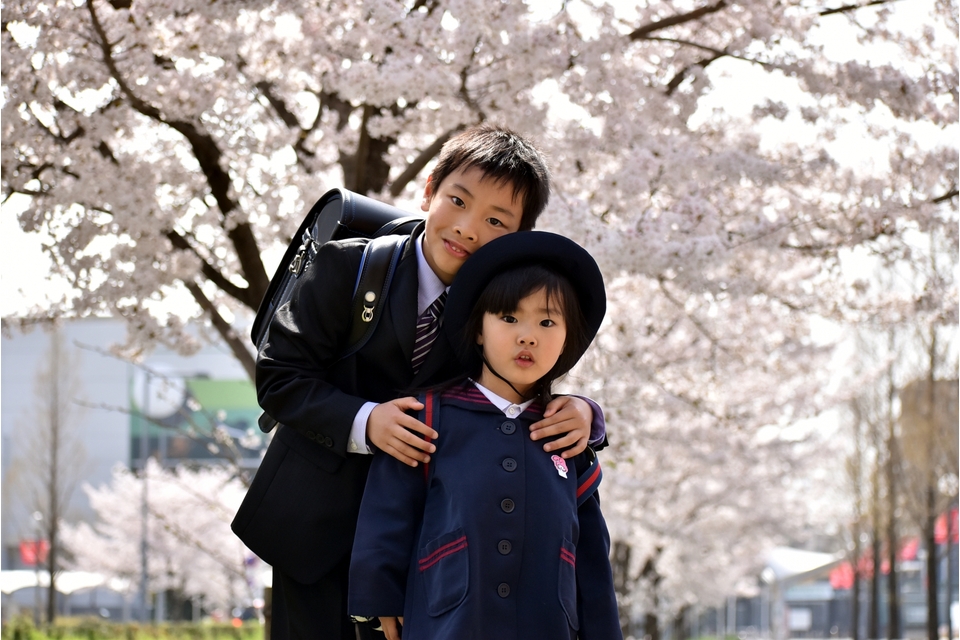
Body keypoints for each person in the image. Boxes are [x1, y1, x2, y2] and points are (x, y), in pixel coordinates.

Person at [231, 124, 607, 639]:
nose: (469, 228)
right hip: (316, 529)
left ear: (519, 236)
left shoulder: (498, 310)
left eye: (496, 221)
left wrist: (586, 412)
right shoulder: (348, 268)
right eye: (458, 200)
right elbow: (280, 377)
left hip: (421, 549)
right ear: (430, 189)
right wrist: (367, 422)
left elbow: (517, 389)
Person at [348, 231, 621, 640]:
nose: (527, 335)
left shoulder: (568, 437)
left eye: (547, 321)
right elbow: (388, 510)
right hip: (448, 623)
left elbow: (592, 556)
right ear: (478, 329)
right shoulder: (427, 417)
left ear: (567, 339)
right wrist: (380, 596)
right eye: (509, 318)